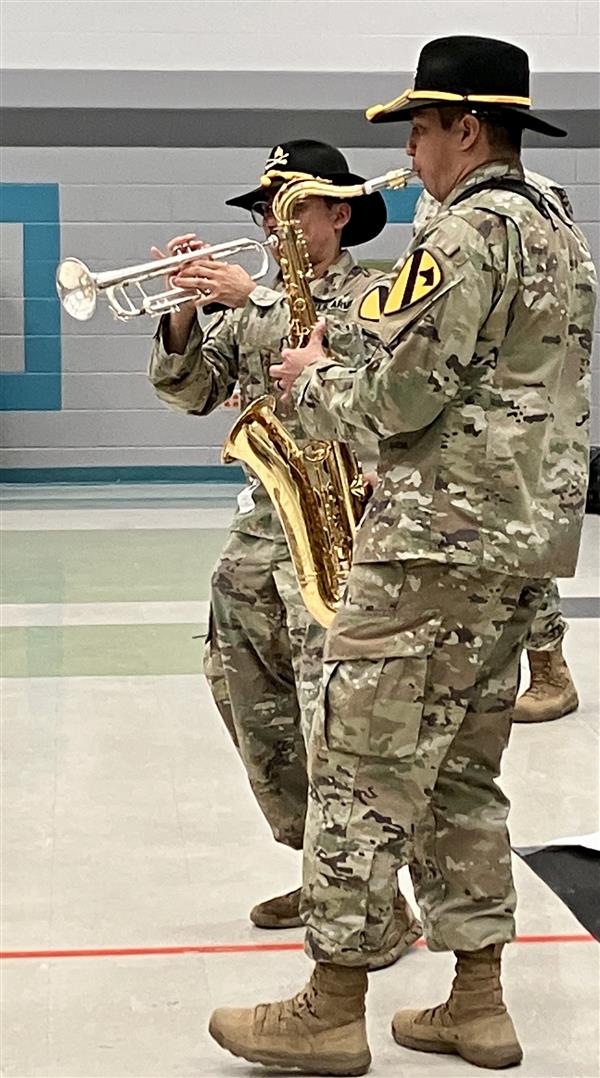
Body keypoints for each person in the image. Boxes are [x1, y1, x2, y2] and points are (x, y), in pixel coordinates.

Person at [208, 36, 596, 1075]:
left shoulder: (464, 235)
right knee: (464, 774)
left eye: (420, 129)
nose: (412, 152)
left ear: (468, 129)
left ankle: (331, 1008)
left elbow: (396, 402)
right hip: (519, 546)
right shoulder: (560, 228)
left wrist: (308, 378)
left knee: (355, 764)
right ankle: (477, 1001)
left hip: (430, 542)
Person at [148, 140, 420, 967]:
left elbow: (368, 363)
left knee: (330, 714)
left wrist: (253, 294)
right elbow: (191, 393)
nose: (272, 224)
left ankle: (376, 901)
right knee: (243, 691)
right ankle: (325, 867)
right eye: (267, 212)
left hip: (345, 526)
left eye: (288, 207)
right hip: (264, 525)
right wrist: (187, 311)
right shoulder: (247, 300)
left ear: (338, 213)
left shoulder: (376, 293)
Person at [414, 178, 580, 725]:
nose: (410, 154)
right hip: (506, 400)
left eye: (423, 129)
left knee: (518, 542)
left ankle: (549, 669)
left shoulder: (516, 203)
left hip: (508, 400)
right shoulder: (454, 201)